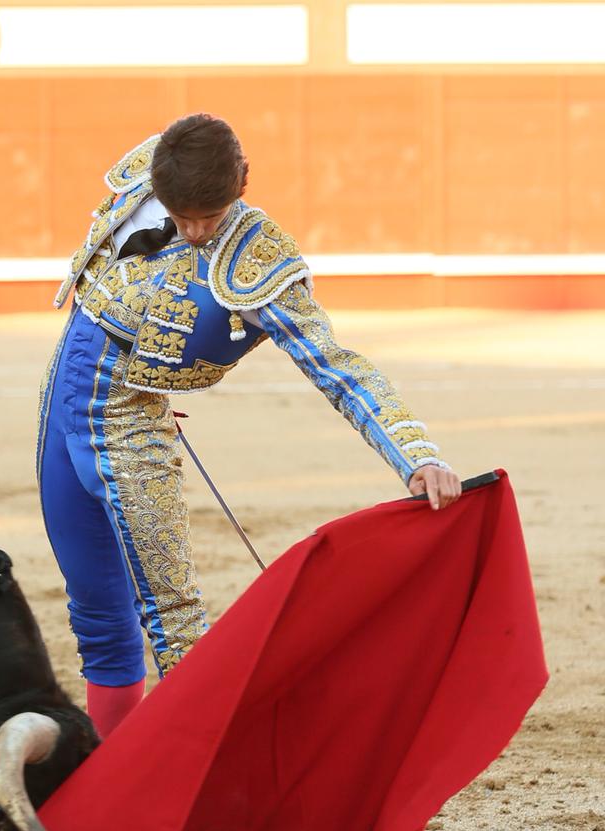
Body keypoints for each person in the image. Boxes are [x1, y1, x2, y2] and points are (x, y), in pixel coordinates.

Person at [38, 113, 461, 737]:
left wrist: (415, 455)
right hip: (59, 408)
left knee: (176, 627)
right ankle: (111, 773)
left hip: (130, 435)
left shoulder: (260, 262)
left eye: (209, 216)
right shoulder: (146, 175)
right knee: (95, 614)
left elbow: (336, 368)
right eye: (183, 215)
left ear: (242, 186)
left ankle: (203, 791)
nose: (195, 230)